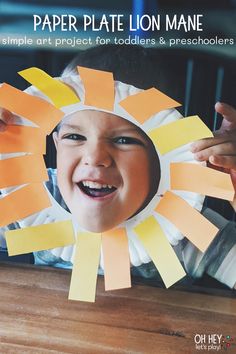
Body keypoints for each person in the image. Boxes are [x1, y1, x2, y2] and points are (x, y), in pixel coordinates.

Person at [0, 45, 235, 290]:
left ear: (166, 158)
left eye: (123, 140)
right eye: (75, 137)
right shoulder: (34, 205)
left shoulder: (185, 227)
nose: (95, 157)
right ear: (57, 144)